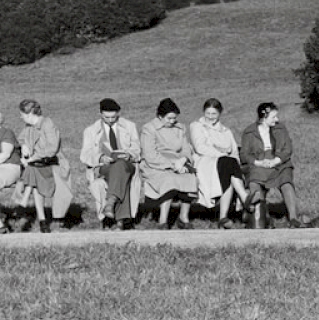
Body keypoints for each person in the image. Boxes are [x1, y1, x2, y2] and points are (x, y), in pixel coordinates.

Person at [80, 98, 142, 230]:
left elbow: (137, 148)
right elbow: (85, 155)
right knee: (120, 174)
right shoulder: (91, 131)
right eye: (107, 117)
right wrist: (101, 157)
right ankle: (121, 220)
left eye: (114, 117)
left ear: (118, 113)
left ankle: (110, 203)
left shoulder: (129, 126)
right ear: (100, 114)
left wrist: (129, 154)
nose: (110, 120)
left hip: (127, 164)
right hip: (104, 167)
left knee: (120, 166)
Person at [240, 102, 302, 228]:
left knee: (286, 181)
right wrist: (258, 162)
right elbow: (244, 154)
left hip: (278, 161)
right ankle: (262, 217)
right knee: (255, 182)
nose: (277, 119)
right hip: (259, 162)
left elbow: (288, 149)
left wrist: (276, 160)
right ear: (263, 117)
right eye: (273, 117)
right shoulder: (249, 132)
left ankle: (293, 218)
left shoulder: (281, 128)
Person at [189, 98, 249, 229]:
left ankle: (223, 218)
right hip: (205, 162)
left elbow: (233, 151)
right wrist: (222, 154)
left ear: (220, 113)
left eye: (214, 114)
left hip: (226, 164)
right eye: (208, 113)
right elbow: (200, 147)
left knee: (230, 165)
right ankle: (244, 198)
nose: (210, 117)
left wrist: (232, 160)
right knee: (228, 163)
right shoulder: (197, 126)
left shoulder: (226, 131)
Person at [15, 99, 72, 233]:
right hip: (37, 165)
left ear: (29, 114)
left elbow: (52, 149)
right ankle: (41, 220)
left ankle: (38, 215)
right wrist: (23, 146)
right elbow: (20, 139)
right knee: (35, 170)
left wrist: (31, 159)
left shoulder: (48, 124)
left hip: (53, 162)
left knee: (33, 169)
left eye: (22, 114)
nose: (20, 117)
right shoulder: (28, 126)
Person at [140, 98, 198, 229]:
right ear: (160, 116)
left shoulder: (180, 128)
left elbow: (186, 149)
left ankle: (184, 218)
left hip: (178, 163)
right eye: (169, 118)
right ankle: (163, 220)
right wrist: (173, 165)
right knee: (169, 180)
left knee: (190, 177)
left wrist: (183, 160)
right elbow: (150, 155)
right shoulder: (149, 129)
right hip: (156, 165)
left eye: (174, 118)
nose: (172, 121)